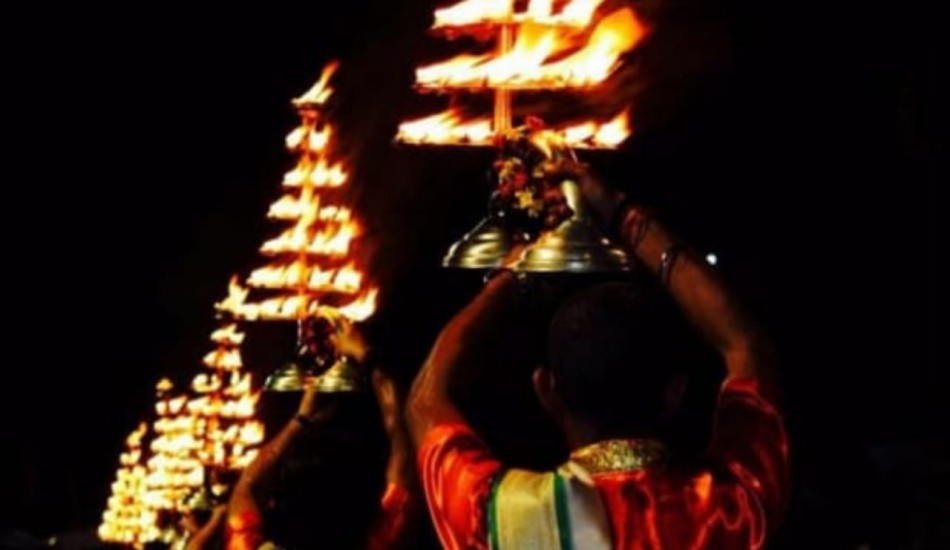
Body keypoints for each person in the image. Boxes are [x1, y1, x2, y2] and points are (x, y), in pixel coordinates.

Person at [407, 165, 789, 549]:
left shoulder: (501, 519)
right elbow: (745, 344)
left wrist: (513, 272)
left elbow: (427, 400)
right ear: (675, 393)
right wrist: (622, 214)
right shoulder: (732, 508)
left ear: (547, 392)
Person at [226, 321, 418, 550]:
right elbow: (401, 444)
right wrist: (367, 357)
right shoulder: (382, 541)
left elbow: (246, 485)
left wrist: (301, 418)